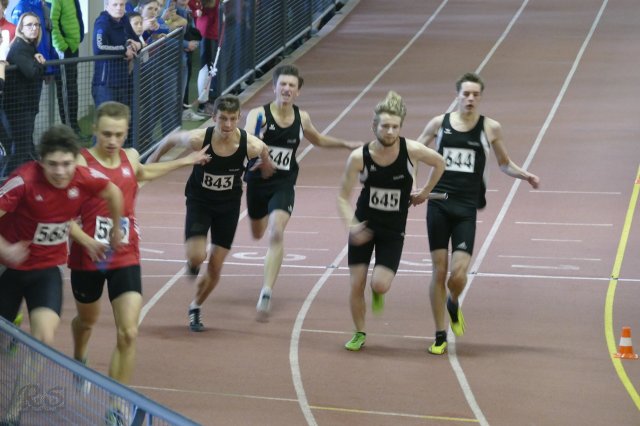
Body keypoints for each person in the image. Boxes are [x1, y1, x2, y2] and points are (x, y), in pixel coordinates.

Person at [66, 101, 210, 400]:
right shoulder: (79, 163)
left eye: (119, 135)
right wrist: (87, 241)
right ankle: (79, 357)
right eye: (106, 134)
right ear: (95, 129)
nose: (112, 141)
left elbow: (142, 172)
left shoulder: (130, 156)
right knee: (87, 321)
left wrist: (186, 161)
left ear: (126, 132)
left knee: (129, 332)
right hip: (88, 255)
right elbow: (61, 214)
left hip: (125, 252)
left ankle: (116, 404)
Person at [419, 72, 540, 355]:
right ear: (457, 96)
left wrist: (525, 175)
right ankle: (439, 334)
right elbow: (413, 151)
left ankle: (453, 300)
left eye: (475, 94)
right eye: (466, 94)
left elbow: (504, 163)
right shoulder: (439, 124)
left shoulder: (490, 128)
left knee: (458, 274)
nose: (470, 99)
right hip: (438, 203)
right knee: (439, 271)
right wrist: (415, 186)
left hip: (466, 208)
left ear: (480, 97)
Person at [147, 94, 274, 331]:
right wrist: (153, 161)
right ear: (213, 117)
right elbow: (171, 139)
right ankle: (193, 263)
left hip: (228, 207)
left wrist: (265, 164)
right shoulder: (199, 139)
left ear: (239, 118)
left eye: (232, 119)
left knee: (215, 266)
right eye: (223, 118)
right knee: (197, 256)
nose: (227, 124)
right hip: (200, 202)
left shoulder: (250, 145)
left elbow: (264, 150)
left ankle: (195, 306)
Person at [243, 64, 361, 317]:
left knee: (276, 231)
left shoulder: (302, 118)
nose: (287, 89)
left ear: (297, 92)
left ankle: (266, 291)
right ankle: (260, 225)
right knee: (258, 231)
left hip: (283, 183)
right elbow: (248, 140)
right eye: (283, 84)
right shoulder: (258, 115)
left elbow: (318, 139)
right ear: (274, 87)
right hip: (257, 182)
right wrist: (263, 158)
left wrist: (345, 144)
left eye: (292, 86)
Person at [0, 123, 123, 359]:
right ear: (41, 162)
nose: (60, 172)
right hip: (7, 268)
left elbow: (113, 192)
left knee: (44, 339)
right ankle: (12, 322)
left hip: (45, 269)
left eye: (66, 164)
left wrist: (116, 229)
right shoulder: (23, 182)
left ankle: (23, 385)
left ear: (76, 160)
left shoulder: (83, 178)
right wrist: (6, 249)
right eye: (53, 164)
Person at [337, 91, 445, 351]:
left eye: (395, 127)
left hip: (393, 230)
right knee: (356, 284)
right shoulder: (359, 157)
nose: (390, 131)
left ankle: (377, 293)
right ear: (374, 125)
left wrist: (425, 192)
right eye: (385, 126)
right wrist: (352, 225)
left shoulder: (412, 150)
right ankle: (359, 333)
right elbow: (342, 197)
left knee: (380, 284)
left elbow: (440, 163)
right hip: (364, 225)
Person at [4, 12, 45, 176]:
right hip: (19, 109)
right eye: (29, 25)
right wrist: (39, 61)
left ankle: (32, 180)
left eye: (37, 25)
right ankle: (4, 182)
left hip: (26, 106)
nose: (34, 28)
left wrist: (36, 60)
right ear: (21, 28)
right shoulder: (19, 48)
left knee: (27, 148)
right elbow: (32, 73)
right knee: (20, 151)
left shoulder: (29, 46)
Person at [92, 0, 141, 108]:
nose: (119, 8)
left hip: (123, 81)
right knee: (107, 118)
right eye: (115, 4)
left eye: (122, 4)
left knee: (123, 117)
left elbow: (136, 40)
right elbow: (99, 48)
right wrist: (124, 50)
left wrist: (138, 45)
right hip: (105, 84)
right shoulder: (102, 22)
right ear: (107, 6)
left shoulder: (124, 19)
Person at [49, 0, 85, 134]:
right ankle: (68, 129)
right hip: (64, 50)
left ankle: (74, 126)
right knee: (66, 89)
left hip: (73, 48)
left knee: (72, 88)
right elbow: (52, 23)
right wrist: (62, 46)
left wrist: (78, 39)